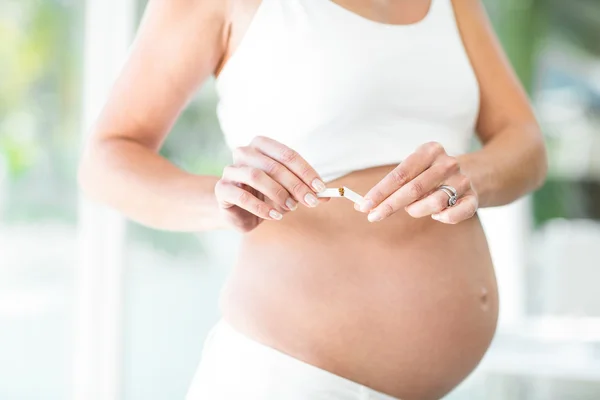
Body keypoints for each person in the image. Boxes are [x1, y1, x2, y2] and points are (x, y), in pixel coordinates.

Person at [78, 0, 547, 399]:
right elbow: (105, 159)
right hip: (287, 379)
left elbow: (525, 143)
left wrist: (471, 175)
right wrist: (220, 199)